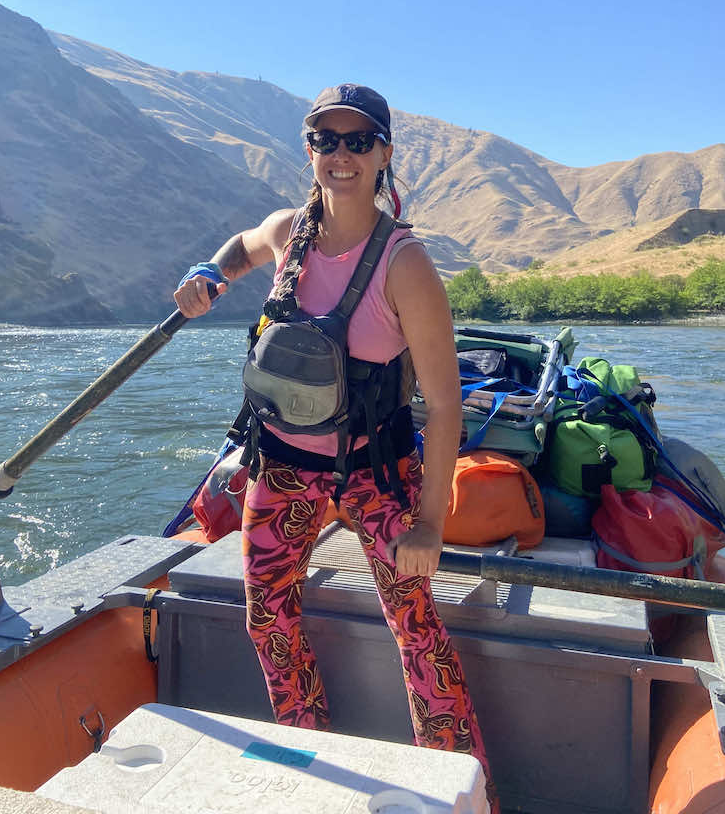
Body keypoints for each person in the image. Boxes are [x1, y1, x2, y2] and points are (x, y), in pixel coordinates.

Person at [174, 83, 498, 808]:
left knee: (418, 633)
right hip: (281, 470)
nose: (342, 155)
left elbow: (443, 405)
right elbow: (240, 249)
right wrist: (207, 275)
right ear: (309, 148)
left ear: (384, 153)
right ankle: (308, 752)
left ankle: (460, 787)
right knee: (267, 614)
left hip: (376, 477)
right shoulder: (290, 231)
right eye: (327, 140)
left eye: (359, 141)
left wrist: (430, 525)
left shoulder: (404, 264)